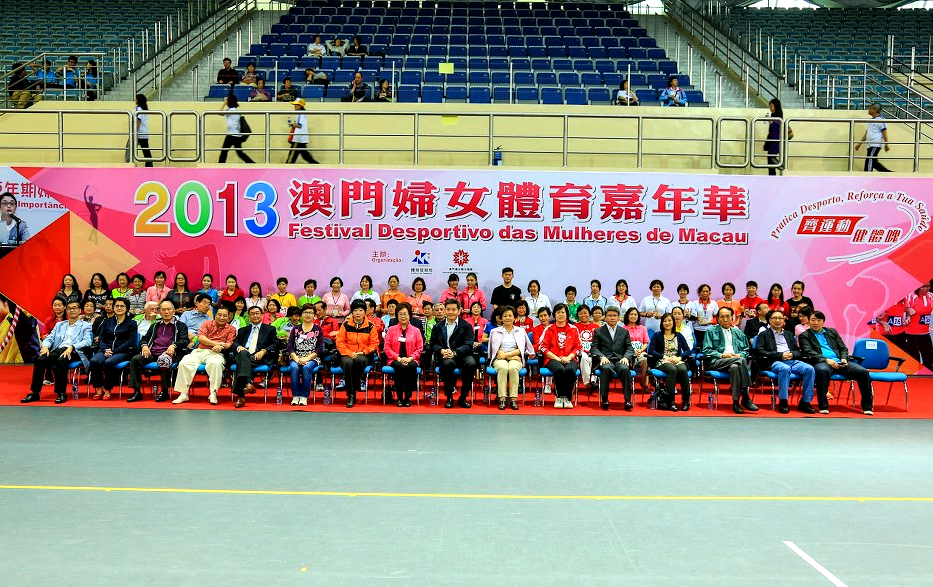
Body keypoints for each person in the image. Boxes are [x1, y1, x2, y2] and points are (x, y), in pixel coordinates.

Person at [798, 310, 874, 415]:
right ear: (809, 321)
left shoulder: (832, 332)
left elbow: (843, 348)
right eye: (813, 320)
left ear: (823, 322)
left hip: (839, 361)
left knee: (863, 372)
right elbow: (808, 351)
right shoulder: (804, 335)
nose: (816, 323)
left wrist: (844, 359)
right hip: (822, 362)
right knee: (823, 371)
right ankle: (823, 406)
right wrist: (827, 360)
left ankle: (867, 406)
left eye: (819, 320)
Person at [21, 301, 92, 404]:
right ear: (66, 310)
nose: (72, 310)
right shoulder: (60, 325)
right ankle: (35, 393)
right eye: (70, 308)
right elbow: (50, 338)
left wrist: (72, 346)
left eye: (75, 308)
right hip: (59, 349)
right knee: (40, 360)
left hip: (75, 351)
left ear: (79, 310)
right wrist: (45, 346)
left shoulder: (86, 325)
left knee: (61, 361)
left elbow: (87, 341)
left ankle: (61, 393)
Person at [172, 306, 236, 405]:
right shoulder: (206, 323)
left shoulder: (231, 329)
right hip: (200, 351)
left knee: (216, 364)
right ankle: (183, 394)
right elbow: (201, 338)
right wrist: (216, 344)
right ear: (215, 315)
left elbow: (229, 344)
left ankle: (213, 393)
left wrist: (221, 347)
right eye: (219, 315)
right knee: (184, 362)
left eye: (224, 316)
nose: (222, 317)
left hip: (216, 354)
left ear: (229, 317)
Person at [126, 300, 188, 403]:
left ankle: (164, 391)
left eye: (168, 309)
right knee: (135, 359)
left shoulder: (180, 325)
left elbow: (184, 340)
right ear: (159, 312)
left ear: (173, 311)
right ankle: (137, 392)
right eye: (163, 310)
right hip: (152, 352)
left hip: (169, 354)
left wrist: (174, 345)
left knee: (163, 360)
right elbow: (144, 339)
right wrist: (144, 346)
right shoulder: (155, 325)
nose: (166, 312)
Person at [755, 309, 816, 414]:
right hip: (774, 361)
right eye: (775, 318)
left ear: (784, 320)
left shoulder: (788, 334)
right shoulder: (764, 334)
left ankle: (805, 402)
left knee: (809, 369)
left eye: (780, 318)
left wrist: (792, 354)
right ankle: (783, 401)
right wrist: (780, 355)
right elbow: (760, 351)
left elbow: (798, 351)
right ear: (769, 320)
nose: (777, 320)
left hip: (792, 360)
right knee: (784, 368)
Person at [702, 307, 758, 414]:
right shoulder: (711, 331)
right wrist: (722, 355)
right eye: (722, 316)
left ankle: (735, 402)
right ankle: (745, 396)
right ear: (718, 319)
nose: (725, 319)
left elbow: (746, 350)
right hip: (717, 361)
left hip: (735, 362)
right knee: (740, 361)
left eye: (728, 316)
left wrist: (739, 355)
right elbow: (706, 350)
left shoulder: (738, 332)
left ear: (732, 318)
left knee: (735, 367)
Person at [429, 299, 477, 409]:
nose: (451, 312)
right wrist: (441, 350)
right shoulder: (438, 326)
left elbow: (469, 344)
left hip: (462, 355)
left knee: (471, 363)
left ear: (459, 311)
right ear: (445, 311)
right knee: (447, 364)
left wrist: (455, 352)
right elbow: (433, 344)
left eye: (454, 309)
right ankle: (449, 397)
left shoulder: (466, 326)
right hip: (445, 356)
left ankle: (463, 397)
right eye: (448, 309)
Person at [229, 305, 278, 408]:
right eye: (252, 314)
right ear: (249, 316)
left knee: (241, 363)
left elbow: (275, 344)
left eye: (257, 313)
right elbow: (235, 343)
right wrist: (239, 347)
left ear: (262, 315)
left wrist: (264, 351)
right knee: (243, 354)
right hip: (244, 353)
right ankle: (248, 384)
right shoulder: (242, 330)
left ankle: (241, 396)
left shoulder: (270, 329)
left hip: (260, 356)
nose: (255, 316)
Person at [87, 298, 135, 401]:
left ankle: (108, 389)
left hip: (122, 351)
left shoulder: (132, 323)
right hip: (105, 349)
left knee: (109, 362)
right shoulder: (107, 322)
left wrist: (114, 351)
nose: (119, 308)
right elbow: (101, 339)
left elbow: (130, 342)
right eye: (117, 306)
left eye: (122, 306)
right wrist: (105, 349)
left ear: (126, 308)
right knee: (94, 361)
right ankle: (99, 389)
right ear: (113, 308)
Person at [335, 300, 380, 408]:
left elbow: (374, 343)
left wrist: (363, 352)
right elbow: (340, 342)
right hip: (347, 353)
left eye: (361, 310)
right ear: (352, 312)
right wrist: (349, 353)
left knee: (360, 360)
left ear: (365, 312)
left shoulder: (370, 326)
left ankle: (352, 391)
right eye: (355, 310)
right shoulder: (346, 324)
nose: (358, 313)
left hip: (364, 354)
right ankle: (351, 394)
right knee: (347, 363)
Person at [488, 305, 533, 410]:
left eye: (510, 315)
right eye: (505, 316)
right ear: (501, 319)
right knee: (503, 368)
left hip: (515, 357)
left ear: (515, 318)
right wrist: (509, 357)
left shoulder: (521, 331)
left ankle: (513, 399)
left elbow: (523, 348)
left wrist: (508, 355)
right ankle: (502, 398)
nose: (507, 318)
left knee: (513, 368)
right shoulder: (494, 331)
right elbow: (494, 349)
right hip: (500, 358)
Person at [591, 306, 635, 410]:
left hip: (620, 359)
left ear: (619, 317)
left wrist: (626, 357)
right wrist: (601, 357)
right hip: (605, 359)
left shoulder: (624, 332)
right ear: (605, 317)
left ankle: (627, 400)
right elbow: (594, 348)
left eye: (614, 315)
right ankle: (604, 399)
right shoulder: (598, 331)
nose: (612, 318)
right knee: (606, 368)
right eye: (609, 315)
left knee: (625, 369)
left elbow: (629, 348)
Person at [647, 312, 692, 411]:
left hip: (676, 359)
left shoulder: (679, 336)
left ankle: (685, 401)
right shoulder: (657, 335)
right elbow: (651, 350)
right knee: (672, 369)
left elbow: (687, 351)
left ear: (673, 322)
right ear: (662, 323)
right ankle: (671, 401)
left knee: (683, 369)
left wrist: (680, 358)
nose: (667, 323)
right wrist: (663, 356)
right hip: (662, 360)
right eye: (665, 321)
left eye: (669, 320)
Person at [540, 303, 581, 408]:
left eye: (563, 312)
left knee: (570, 370)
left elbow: (578, 347)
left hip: (570, 358)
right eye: (558, 312)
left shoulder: (573, 329)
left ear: (567, 314)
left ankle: (567, 398)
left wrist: (569, 357)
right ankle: (559, 397)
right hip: (552, 358)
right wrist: (556, 358)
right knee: (559, 369)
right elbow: (543, 347)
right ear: (554, 314)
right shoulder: (549, 329)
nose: (560, 315)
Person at [384, 302, 423, 407]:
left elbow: (420, 348)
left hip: (411, 359)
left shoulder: (416, 330)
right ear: (397, 316)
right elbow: (386, 348)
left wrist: (411, 358)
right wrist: (398, 358)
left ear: (409, 315)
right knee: (399, 366)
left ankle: (407, 397)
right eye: (400, 314)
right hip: (395, 359)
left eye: (405, 314)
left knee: (410, 367)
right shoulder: (391, 330)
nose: (403, 316)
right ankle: (400, 397)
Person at [288, 304, 324, 406]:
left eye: (311, 313)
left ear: (314, 315)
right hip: (296, 357)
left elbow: (320, 348)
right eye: (306, 312)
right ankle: (296, 395)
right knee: (294, 367)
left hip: (313, 357)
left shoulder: (318, 329)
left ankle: (304, 396)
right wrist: (296, 359)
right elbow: (290, 345)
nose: (308, 315)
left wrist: (307, 358)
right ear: (301, 314)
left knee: (306, 367)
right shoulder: (295, 329)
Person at [855, 103, 891, 172]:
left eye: (870, 108)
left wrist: (886, 144)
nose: (868, 110)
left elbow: (884, 133)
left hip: (875, 144)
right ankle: (888, 173)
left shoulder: (881, 119)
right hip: (870, 145)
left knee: (869, 160)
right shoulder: (871, 120)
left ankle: (867, 174)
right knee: (874, 162)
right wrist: (859, 143)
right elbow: (866, 133)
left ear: (875, 110)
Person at [905, 283, 933, 372]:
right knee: (914, 360)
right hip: (911, 334)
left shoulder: (931, 296)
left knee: (929, 360)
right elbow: (899, 307)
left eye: (928, 286)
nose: (925, 289)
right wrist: (907, 310)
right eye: (923, 286)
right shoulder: (910, 296)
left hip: (925, 333)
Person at [218, 94, 254, 163]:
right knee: (240, 153)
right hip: (237, 135)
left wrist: (224, 104)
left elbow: (219, 112)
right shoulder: (235, 110)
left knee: (224, 152)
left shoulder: (231, 111)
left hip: (231, 135)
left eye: (227, 100)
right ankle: (252, 164)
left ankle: (220, 166)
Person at [622, 306, 650, 392]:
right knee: (630, 360)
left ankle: (644, 384)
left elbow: (646, 342)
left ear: (638, 316)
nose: (633, 316)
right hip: (628, 352)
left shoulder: (643, 328)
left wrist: (640, 350)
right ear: (627, 316)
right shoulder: (623, 329)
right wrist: (631, 351)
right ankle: (629, 383)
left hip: (641, 352)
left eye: (635, 314)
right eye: (631, 314)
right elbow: (622, 344)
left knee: (645, 360)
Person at [284, 98, 320, 164]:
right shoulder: (302, 113)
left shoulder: (301, 113)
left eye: (296, 105)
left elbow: (300, 125)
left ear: (300, 105)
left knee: (291, 159)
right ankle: (318, 166)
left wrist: (293, 125)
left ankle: (287, 169)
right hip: (301, 138)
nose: (294, 107)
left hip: (298, 138)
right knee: (306, 157)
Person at [763, 98, 792, 176]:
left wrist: (770, 121)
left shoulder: (778, 114)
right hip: (774, 138)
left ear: (775, 106)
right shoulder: (774, 114)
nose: (770, 108)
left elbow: (776, 126)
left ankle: (780, 166)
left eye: (771, 106)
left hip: (776, 139)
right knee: (770, 157)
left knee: (771, 157)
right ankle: (773, 174)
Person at [575, 305, 600, 392]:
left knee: (595, 357)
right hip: (579, 351)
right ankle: (589, 382)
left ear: (589, 314)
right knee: (584, 357)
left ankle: (592, 382)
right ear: (577, 315)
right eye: (580, 313)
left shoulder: (596, 327)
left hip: (593, 351)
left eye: (585, 313)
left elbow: (600, 342)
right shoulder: (574, 327)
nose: (583, 315)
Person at [689, 283, 719, 350]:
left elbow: (717, 317)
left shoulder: (714, 303)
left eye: (707, 291)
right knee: (698, 348)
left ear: (710, 293)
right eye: (703, 291)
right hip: (697, 329)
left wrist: (710, 322)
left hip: (710, 329)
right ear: (700, 293)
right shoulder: (694, 303)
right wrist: (696, 317)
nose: (705, 293)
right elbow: (692, 316)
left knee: (709, 347)